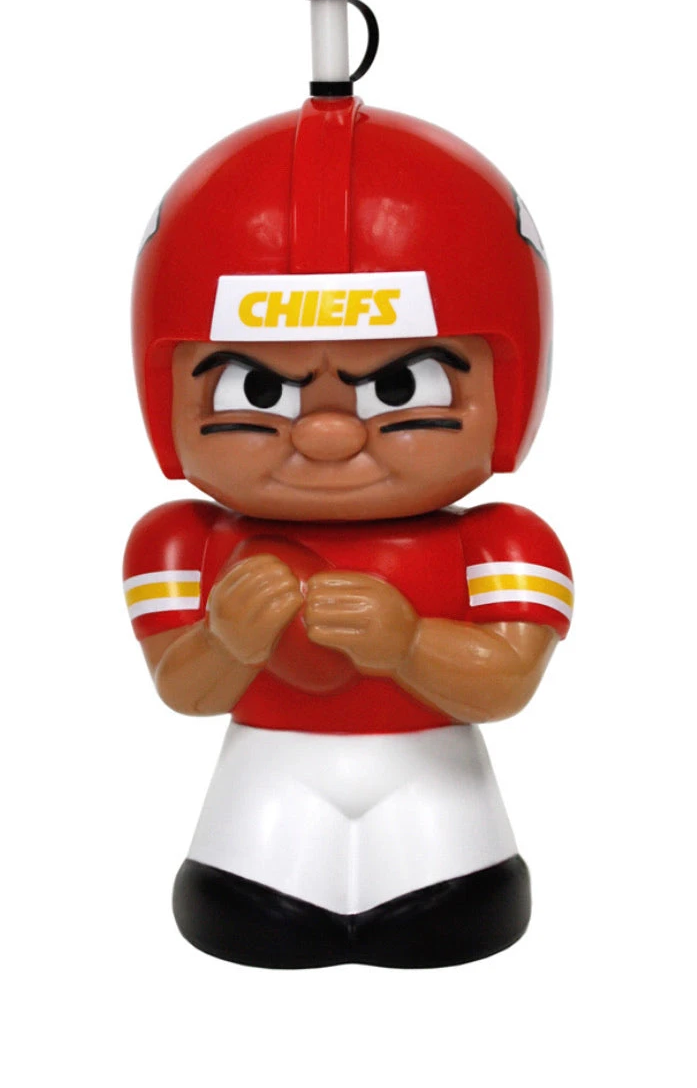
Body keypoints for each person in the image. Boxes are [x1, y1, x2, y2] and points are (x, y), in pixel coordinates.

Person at [124, 96, 572, 968]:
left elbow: (506, 683)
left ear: (508, 384)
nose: (327, 435)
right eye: (258, 391)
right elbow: (186, 691)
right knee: (245, 915)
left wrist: (410, 642)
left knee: (454, 914)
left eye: (398, 387)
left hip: (439, 789)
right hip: (263, 786)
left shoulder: (505, 543)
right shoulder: (180, 542)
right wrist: (225, 639)